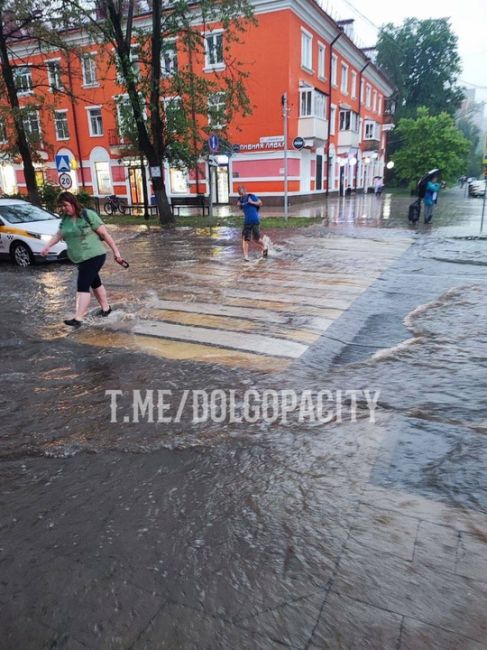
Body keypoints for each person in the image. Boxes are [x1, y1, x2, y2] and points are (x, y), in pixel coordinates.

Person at [40, 191, 124, 328]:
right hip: (80, 259)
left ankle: (78, 318)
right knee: (95, 282)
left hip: (95, 255)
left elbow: (105, 234)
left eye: (65, 205)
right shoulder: (65, 219)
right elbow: (59, 234)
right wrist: (47, 246)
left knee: (82, 284)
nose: (63, 208)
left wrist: (117, 253)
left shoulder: (87, 215)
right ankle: (106, 308)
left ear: (73, 203)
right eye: (61, 206)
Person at [237, 185, 268, 261]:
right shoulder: (240, 200)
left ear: (245, 190)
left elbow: (260, 203)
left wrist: (252, 202)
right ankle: (246, 257)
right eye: (240, 192)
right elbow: (240, 206)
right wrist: (239, 204)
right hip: (247, 221)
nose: (242, 193)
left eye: (243, 191)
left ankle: (265, 246)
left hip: (255, 220)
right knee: (245, 239)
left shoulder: (251, 196)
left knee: (256, 239)